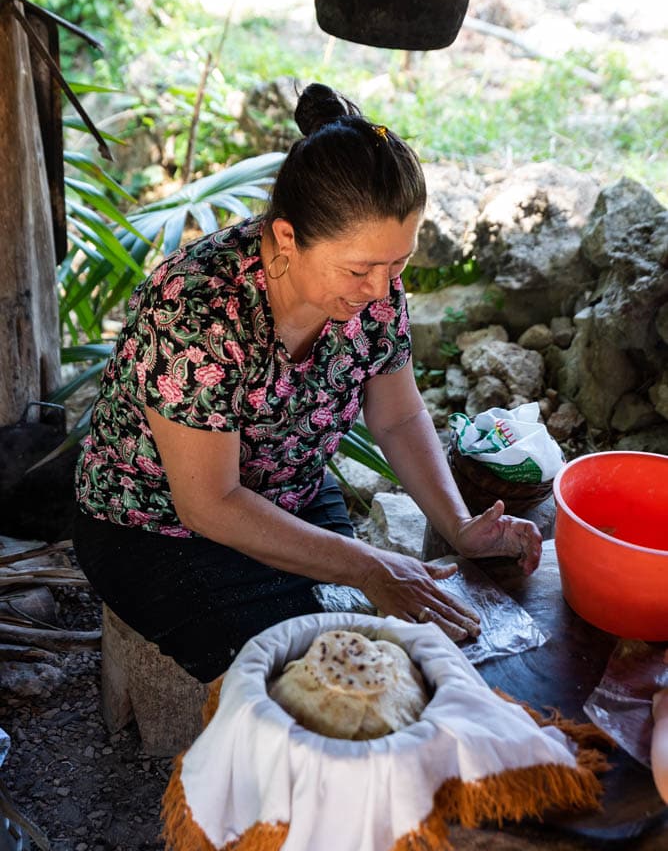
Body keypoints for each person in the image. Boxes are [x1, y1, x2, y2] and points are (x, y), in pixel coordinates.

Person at [73, 83, 541, 683]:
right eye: (361, 269)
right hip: (157, 529)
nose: (381, 289)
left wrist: (459, 526)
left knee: (367, 648)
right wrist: (367, 566)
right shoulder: (196, 309)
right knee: (302, 674)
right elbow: (209, 503)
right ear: (288, 238)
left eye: (398, 263)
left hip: (288, 495)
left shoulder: (372, 287)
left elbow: (398, 416)